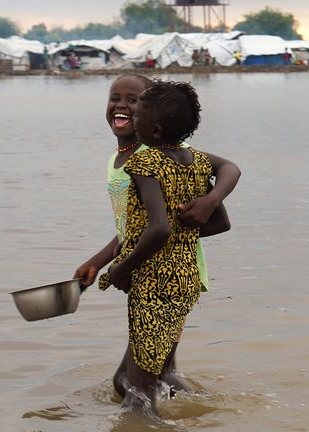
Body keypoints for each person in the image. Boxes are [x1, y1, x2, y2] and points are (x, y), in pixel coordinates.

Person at [73, 74, 240, 404]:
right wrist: (99, 260)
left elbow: (161, 226)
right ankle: (209, 413)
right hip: (170, 274)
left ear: (155, 120)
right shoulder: (123, 161)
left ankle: (158, 420)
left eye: (135, 103)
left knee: (136, 385)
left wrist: (208, 201)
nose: (123, 107)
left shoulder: (158, 156)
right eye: (115, 97)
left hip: (161, 277)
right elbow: (136, 226)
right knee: (152, 374)